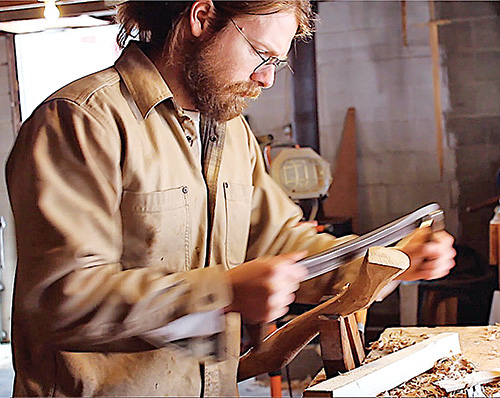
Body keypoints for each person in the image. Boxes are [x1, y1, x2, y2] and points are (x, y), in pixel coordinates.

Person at [6, 1, 456, 396]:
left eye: (276, 64)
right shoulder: (84, 121)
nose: (266, 79)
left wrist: (385, 261)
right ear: (202, 18)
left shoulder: (230, 131)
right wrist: (222, 291)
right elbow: (59, 299)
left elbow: (283, 243)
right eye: (261, 55)